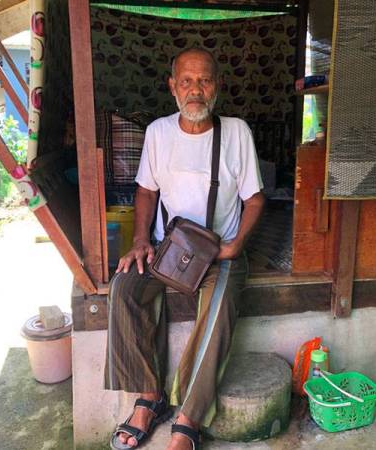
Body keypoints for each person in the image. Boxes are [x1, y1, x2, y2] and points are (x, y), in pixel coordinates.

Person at [106, 47, 265, 450]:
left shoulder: (236, 132)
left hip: (218, 254)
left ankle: (189, 419)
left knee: (219, 309)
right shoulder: (159, 132)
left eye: (205, 80)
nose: (196, 90)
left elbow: (256, 200)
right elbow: (145, 190)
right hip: (168, 250)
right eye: (187, 81)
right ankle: (148, 397)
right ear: (173, 86)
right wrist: (141, 240)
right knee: (124, 287)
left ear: (218, 86)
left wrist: (233, 247)